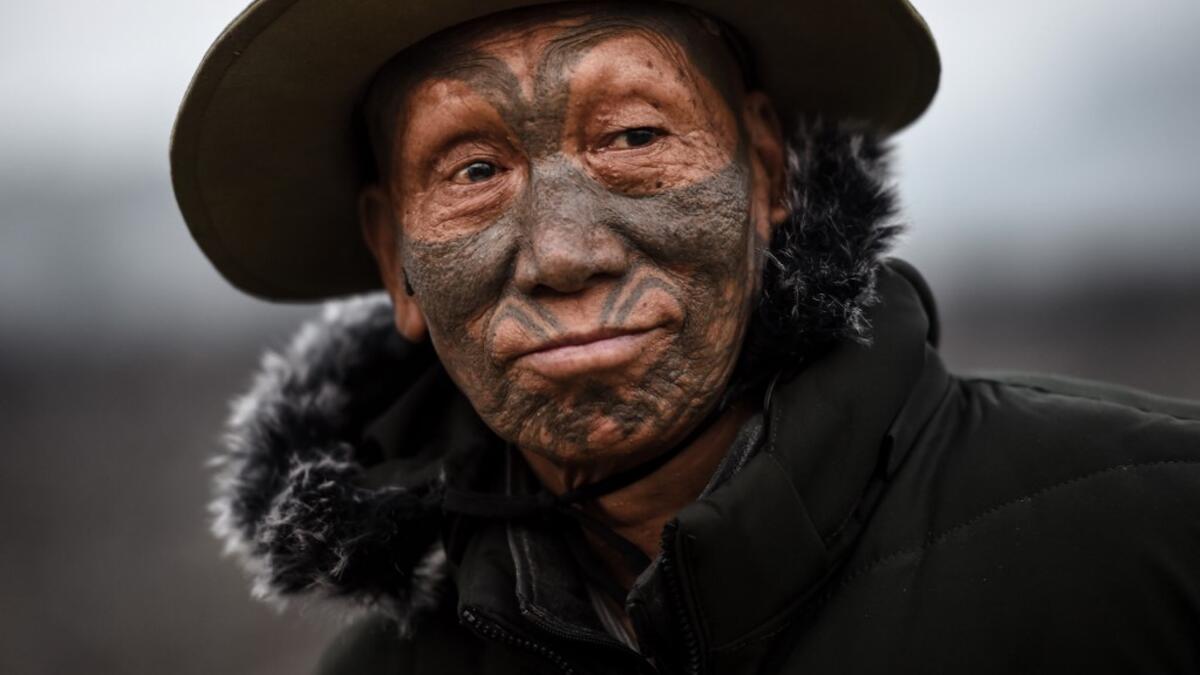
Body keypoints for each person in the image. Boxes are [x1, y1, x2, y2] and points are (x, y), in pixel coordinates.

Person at [172, 1, 1200, 673]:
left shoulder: (1155, 536)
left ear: (765, 171)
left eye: (632, 136)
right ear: (394, 256)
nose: (564, 255)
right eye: (473, 171)